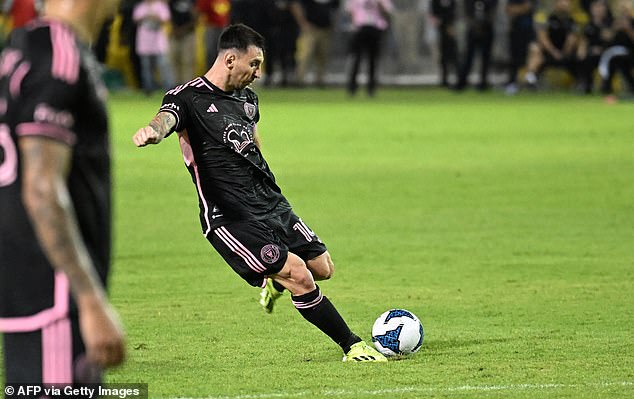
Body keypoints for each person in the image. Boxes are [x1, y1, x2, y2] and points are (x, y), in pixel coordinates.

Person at [132, 23, 386, 363]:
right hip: (229, 215)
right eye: (254, 64)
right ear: (231, 59)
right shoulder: (188, 97)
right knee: (299, 274)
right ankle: (351, 345)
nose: (259, 73)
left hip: (268, 201)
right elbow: (166, 118)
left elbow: (252, 145)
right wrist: (153, 131)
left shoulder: (248, 99)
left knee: (323, 267)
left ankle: (272, 280)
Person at [0, 0, 125, 386]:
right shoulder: (60, 55)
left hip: (23, 284)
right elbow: (42, 188)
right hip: (55, 293)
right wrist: (89, 299)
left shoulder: (18, 49)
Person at [524, 0, 580, 88]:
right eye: (562, 1)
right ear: (556, 3)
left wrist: (565, 53)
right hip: (549, 51)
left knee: (581, 53)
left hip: (565, 53)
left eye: (567, 1)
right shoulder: (547, 17)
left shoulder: (571, 20)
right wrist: (554, 52)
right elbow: (542, 37)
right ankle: (530, 80)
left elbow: (572, 39)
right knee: (535, 49)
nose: (565, 3)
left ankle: (582, 82)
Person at [345, 0, 394, 96]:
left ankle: (371, 88)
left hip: (375, 28)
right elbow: (349, 10)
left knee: (373, 60)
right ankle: (352, 87)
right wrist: (355, 21)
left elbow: (388, 10)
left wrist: (380, 5)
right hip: (360, 27)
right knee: (356, 59)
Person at [289, 0, 340, 87]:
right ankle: (299, 80)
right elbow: (295, 5)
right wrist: (303, 23)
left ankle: (320, 80)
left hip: (325, 29)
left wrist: (333, 24)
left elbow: (336, 10)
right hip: (310, 29)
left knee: (323, 56)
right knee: (305, 54)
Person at [455, 0, 499, 91]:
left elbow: (493, 12)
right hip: (472, 30)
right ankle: (462, 82)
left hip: (487, 30)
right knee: (468, 57)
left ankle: (483, 82)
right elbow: (466, 12)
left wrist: (484, 25)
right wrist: (475, 26)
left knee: (485, 58)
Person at [133, 0, 175, 94]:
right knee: (147, 68)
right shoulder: (141, 6)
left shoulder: (160, 5)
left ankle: (169, 88)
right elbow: (136, 19)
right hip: (144, 42)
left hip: (158, 43)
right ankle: (148, 89)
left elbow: (166, 19)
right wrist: (148, 16)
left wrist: (154, 17)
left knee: (163, 66)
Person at [598, 0, 634, 100]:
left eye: (626, 4)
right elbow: (605, 37)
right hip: (614, 53)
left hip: (631, 52)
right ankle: (607, 88)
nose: (623, 6)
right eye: (621, 4)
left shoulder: (632, 21)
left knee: (619, 60)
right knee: (615, 60)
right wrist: (614, 28)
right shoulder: (611, 21)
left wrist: (628, 29)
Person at [578, 0, 613, 93]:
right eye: (596, 7)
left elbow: (612, 39)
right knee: (584, 58)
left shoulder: (610, 23)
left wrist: (602, 49)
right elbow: (584, 40)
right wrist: (582, 51)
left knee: (611, 61)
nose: (599, 9)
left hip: (607, 53)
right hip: (592, 53)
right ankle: (587, 85)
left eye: (601, 7)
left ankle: (606, 86)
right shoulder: (588, 25)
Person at [504, 0, 536, 95]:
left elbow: (529, 7)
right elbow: (508, 10)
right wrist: (522, 9)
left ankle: (529, 80)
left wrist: (517, 10)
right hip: (515, 31)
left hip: (529, 32)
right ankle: (512, 83)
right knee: (514, 59)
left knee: (531, 55)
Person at [430, 0, 458, 88]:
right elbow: (434, 13)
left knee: (454, 55)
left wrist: (451, 26)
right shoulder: (436, 2)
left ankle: (457, 78)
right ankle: (444, 79)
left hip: (451, 28)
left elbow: (454, 11)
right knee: (443, 56)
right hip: (441, 30)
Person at [169, 0, 197, 83]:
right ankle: (176, 85)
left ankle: (187, 85)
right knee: (174, 61)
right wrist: (175, 30)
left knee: (188, 62)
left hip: (188, 34)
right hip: (175, 34)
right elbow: (168, 15)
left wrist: (182, 30)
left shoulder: (192, 1)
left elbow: (196, 18)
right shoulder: (172, 2)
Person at [197, 0, 231, 69]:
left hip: (224, 26)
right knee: (210, 54)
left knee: (225, 53)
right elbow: (200, 10)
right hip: (211, 26)